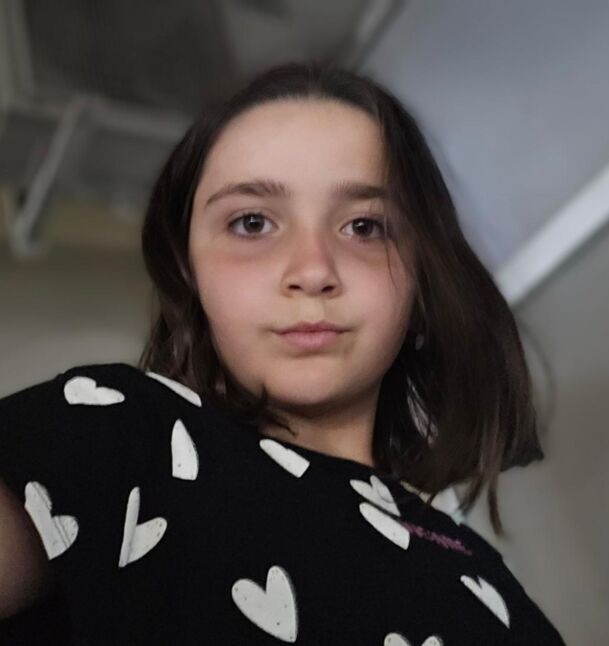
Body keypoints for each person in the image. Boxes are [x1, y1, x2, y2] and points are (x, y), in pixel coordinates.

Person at [0, 61, 566, 645]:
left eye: (365, 227)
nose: (313, 270)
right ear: (189, 270)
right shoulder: (109, 435)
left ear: (424, 274)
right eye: (251, 223)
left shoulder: (492, 588)